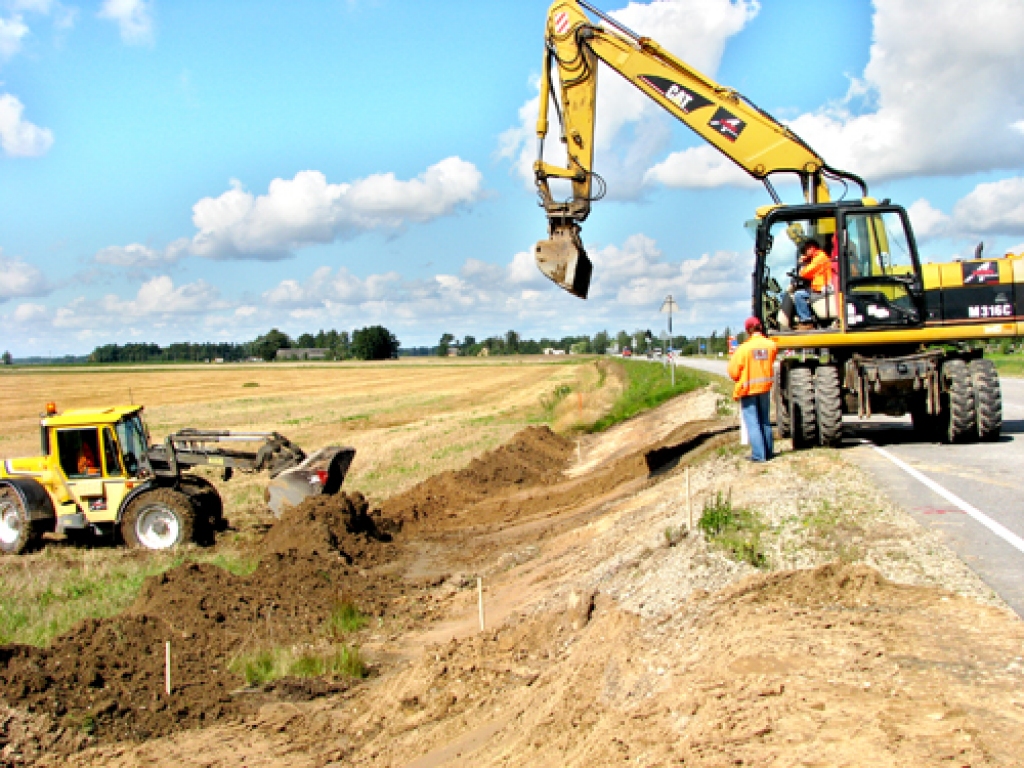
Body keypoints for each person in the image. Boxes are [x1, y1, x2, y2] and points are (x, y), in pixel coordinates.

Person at [728, 316, 778, 462]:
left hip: (748, 389)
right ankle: (768, 452)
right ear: (760, 328)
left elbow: (733, 372)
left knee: (753, 422)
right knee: (765, 421)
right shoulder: (771, 345)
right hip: (765, 388)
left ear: (748, 330)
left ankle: (758, 455)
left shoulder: (743, 349)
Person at [793, 239, 833, 328]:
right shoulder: (816, 257)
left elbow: (805, 273)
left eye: (807, 248)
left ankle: (806, 321)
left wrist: (802, 263)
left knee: (798, 295)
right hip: (818, 288)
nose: (805, 251)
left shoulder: (820, 257)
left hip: (822, 290)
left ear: (813, 248)